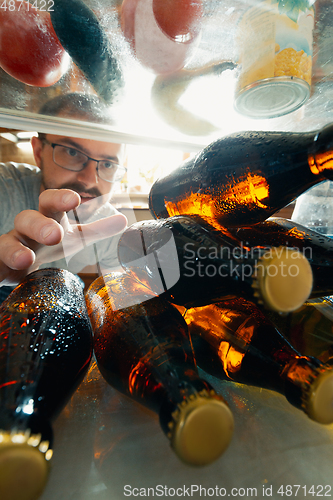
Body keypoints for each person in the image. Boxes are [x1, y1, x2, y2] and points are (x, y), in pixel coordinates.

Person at [0, 93, 129, 302]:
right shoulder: (5, 187)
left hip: (64, 288)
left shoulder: (112, 228)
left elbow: (121, 303)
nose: (90, 180)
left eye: (107, 164)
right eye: (72, 152)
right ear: (39, 151)